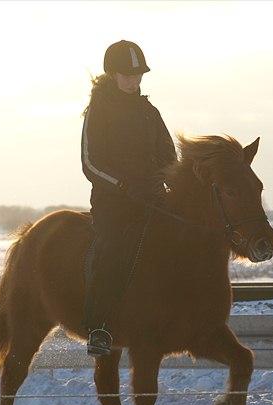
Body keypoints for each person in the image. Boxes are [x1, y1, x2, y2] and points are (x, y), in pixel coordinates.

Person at [81, 40, 176, 356]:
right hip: (113, 202)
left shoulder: (150, 111)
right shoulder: (98, 111)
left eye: (138, 75)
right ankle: (100, 327)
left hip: (151, 197)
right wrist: (122, 186)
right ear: (113, 74)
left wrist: (169, 182)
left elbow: (168, 155)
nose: (134, 81)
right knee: (114, 250)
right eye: (128, 75)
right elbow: (90, 163)